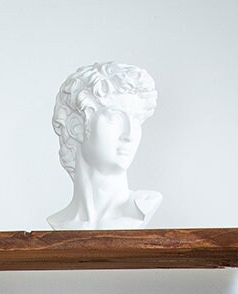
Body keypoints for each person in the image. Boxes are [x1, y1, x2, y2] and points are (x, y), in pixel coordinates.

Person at [48, 62, 161, 230]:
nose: (129, 134)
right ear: (76, 127)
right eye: (115, 118)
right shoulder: (61, 221)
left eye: (136, 120)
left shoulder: (143, 207)